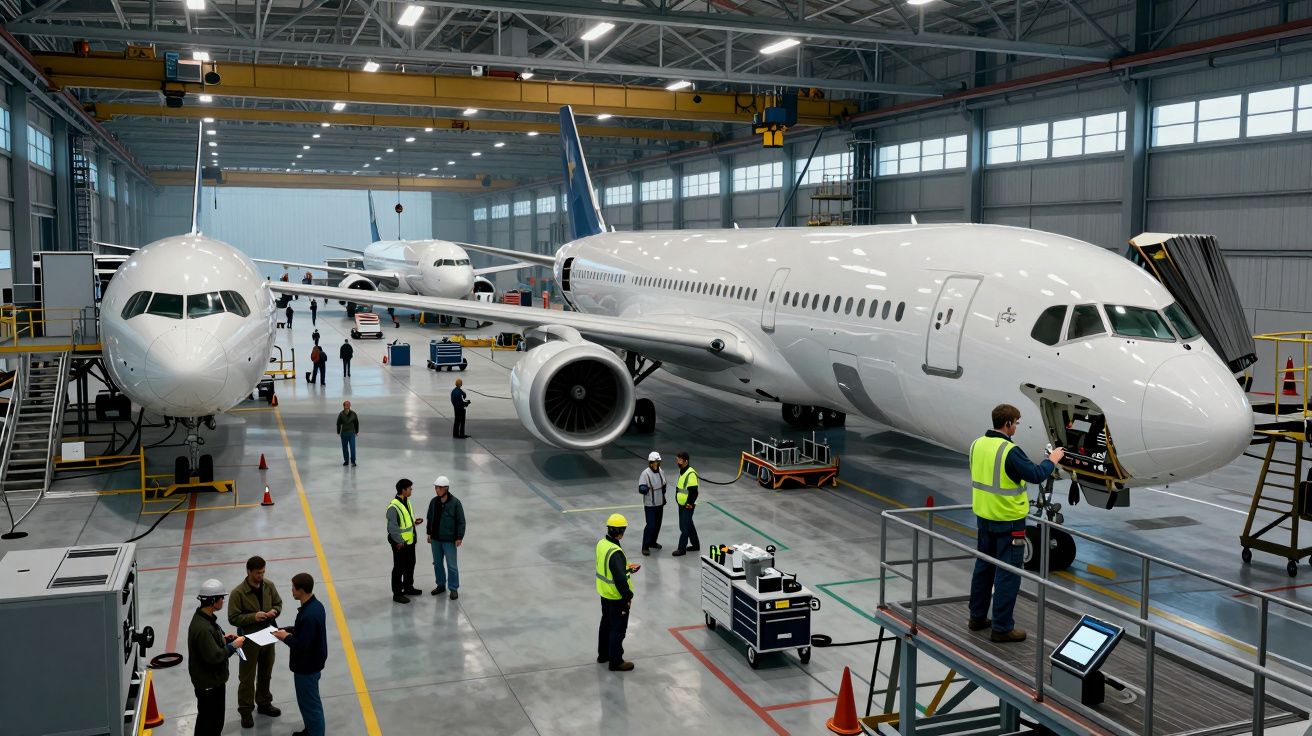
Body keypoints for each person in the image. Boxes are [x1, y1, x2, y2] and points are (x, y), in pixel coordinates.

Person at [967, 404, 1064, 643]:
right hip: (1009, 522)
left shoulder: (977, 444)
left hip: (984, 517)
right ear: (1008, 424)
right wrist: (1051, 460)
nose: (1016, 428)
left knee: (984, 567)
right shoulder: (1010, 450)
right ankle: (1001, 628)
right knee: (1008, 574)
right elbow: (1035, 475)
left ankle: (977, 617)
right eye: (1016, 423)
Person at [228, 556, 283, 728]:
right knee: (247, 678)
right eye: (258, 573)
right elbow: (233, 618)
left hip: (268, 637)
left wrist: (274, 611)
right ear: (249, 572)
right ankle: (245, 711)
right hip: (248, 641)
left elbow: (278, 603)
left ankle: (264, 703)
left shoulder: (269, 586)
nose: (261, 575)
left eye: (263, 572)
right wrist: (254, 616)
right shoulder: (238, 593)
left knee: (266, 673)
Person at [187, 578, 246, 736]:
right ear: (213, 601)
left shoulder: (203, 618)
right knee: (211, 724)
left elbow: (209, 644)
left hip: (210, 682)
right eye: (221, 598)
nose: (223, 601)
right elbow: (215, 656)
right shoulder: (204, 628)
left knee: (208, 720)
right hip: (209, 684)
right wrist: (233, 646)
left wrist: (224, 639)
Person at [273, 573, 326, 736]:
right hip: (311, 663)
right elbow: (306, 634)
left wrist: (285, 637)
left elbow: (302, 645)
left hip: (307, 666)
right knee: (307, 703)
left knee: (311, 705)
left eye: (293, 588)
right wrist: (288, 630)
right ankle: (309, 730)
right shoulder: (315, 605)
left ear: (301, 590)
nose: (291, 590)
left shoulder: (309, 615)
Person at [596, 513, 638, 672]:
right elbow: (620, 579)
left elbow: (608, 568)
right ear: (621, 531)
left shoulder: (602, 543)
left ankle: (603, 655)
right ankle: (616, 661)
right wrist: (628, 596)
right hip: (616, 596)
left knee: (606, 623)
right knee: (618, 629)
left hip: (604, 593)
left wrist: (626, 569)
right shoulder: (616, 552)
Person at [426, 475, 466, 600]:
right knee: (437, 564)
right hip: (436, 540)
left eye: (439, 488)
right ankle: (441, 585)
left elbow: (461, 521)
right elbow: (429, 518)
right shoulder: (434, 502)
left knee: (451, 565)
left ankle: (453, 588)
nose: (437, 490)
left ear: (446, 488)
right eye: (436, 487)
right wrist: (429, 533)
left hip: (449, 540)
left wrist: (459, 537)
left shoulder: (455, 503)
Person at [387, 478, 423, 603]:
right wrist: (398, 542)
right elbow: (392, 528)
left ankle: (408, 587)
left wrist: (414, 522)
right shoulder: (393, 507)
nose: (411, 490)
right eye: (410, 489)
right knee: (399, 568)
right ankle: (397, 593)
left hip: (410, 541)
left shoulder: (407, 501)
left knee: (410, 564)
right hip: (400, 544)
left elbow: (405, 521)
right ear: (403, 490)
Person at [671, 451, 701, 557]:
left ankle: (681, 548)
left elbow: (694, 491)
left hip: (687, 505)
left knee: (684, 526)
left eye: (679, 460)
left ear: (685, 461)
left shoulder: (691, 473)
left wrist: (689, 503)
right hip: (681, 504)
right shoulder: (682, 471)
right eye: (677, 459)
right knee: (689, 525)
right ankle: (696, 545)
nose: (678, 461)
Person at [637, 451, 667, 556]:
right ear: (650, 463)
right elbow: (641, 487)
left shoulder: (661, 471)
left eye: (658, 462)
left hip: (659, 503)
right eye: (655, 462)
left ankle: (653, 542)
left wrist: (663, 497)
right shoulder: (645, 473)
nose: (657, 464)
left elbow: (664, 485)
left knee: (658, 524)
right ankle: (645, 546)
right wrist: (644, 489)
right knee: (651, 525)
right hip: (650, 504)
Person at [337, 400, 359, 466]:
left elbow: (356, 423)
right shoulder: (341, 414)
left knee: (352, 447)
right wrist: (338, 431)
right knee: (345, 447)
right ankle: (346, 460)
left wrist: (357, 431)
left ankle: (353, 461)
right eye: (346, 405)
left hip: (352, 433)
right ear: (343, 406)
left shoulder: (353, 414)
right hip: (344, 433)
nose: (348, 406)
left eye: (349, 405)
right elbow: (338, 423)